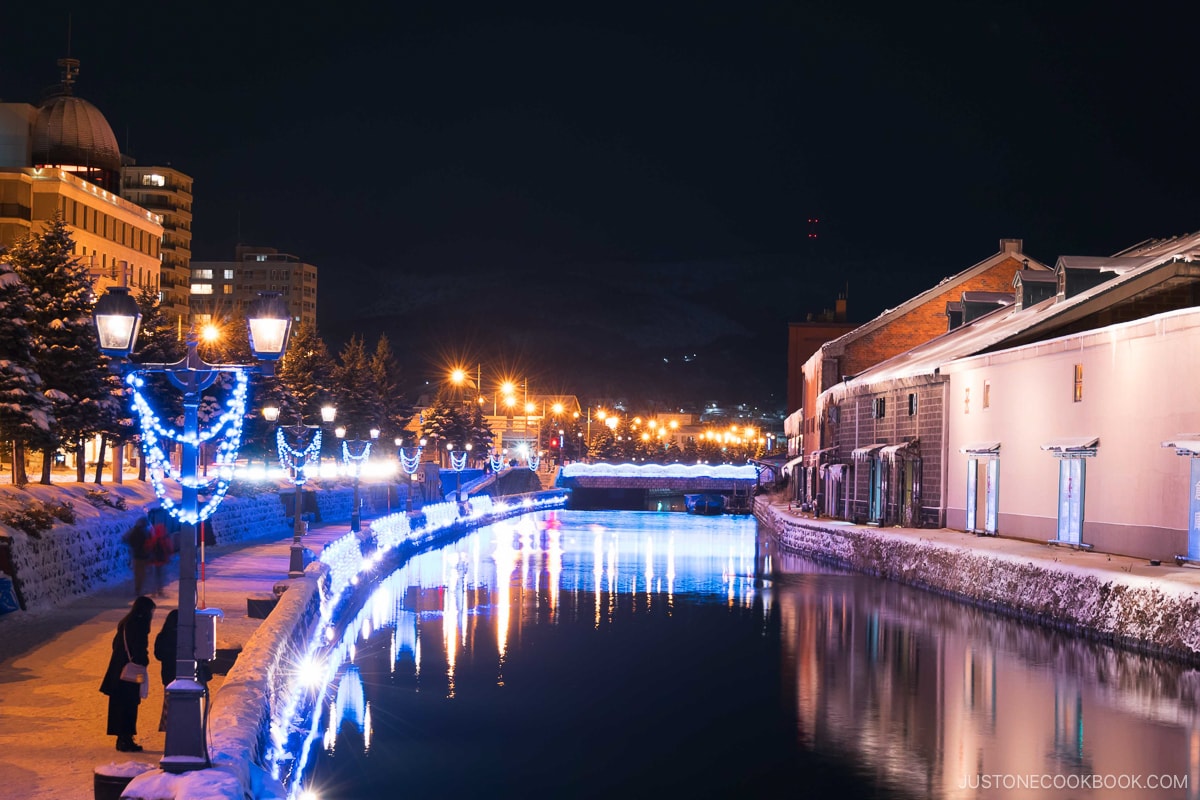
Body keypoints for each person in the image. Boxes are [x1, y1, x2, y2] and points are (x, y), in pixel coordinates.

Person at [99, 595, 156, 752]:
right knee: (130, 703)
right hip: (132, 670)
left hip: (118, 670)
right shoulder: (139, 625)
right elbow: (139, 649)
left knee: (120, 704)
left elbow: (116, 644)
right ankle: (126, 738)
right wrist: (143, 661)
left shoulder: (125, 623)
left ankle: (122, 737)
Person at [153, 609, 212, 732]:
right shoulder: (190, 636)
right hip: (189, 676)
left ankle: (171, 730)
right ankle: (185, 730)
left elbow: (158, 655)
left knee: (171, 706)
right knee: (188, 707)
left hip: (169, 676)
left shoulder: (163, 635)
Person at [123, 515, 150, 597]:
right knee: (142, 572)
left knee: (137, 572)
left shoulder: (133, 531)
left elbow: (125, 538)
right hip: (144, 555)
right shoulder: (146, 532)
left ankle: (137, 589)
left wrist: (132, 547)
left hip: (136, 555)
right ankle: (139, 588)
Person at [146, 518, 172, 597]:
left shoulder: (152, 538)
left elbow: (147, 547)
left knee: (153, 577)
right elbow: (169, 548)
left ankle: (153, 592)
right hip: (162, 561)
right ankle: (160, 590)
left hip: (153, 561)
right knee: (161, 576)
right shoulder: (165, 539)